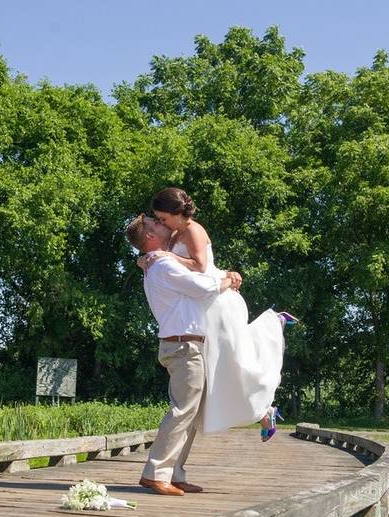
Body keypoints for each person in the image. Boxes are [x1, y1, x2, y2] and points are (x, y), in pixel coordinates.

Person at [143, 187, 296, 441]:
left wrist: (164, 256)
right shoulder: (175, 232)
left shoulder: (193, 229)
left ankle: (272, 323)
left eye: (163, 218)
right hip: (202, 307)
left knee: (236, 363)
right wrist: (149, 257)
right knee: (223, 371)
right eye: (158, 219)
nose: (161, 222)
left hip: (217, 303)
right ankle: (263, 412)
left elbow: (201, 266)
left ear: (178, 213)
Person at [125, 213, 241, 496]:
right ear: (150, 237)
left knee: (189, 413)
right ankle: (155, 472)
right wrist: (230, 280)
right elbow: (202, 287)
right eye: (156, 224)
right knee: (182, 410)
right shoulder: (162, 263)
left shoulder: (156, 263)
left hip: (183, 344)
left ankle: (174, 473)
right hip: (184, 346)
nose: (163, 225)